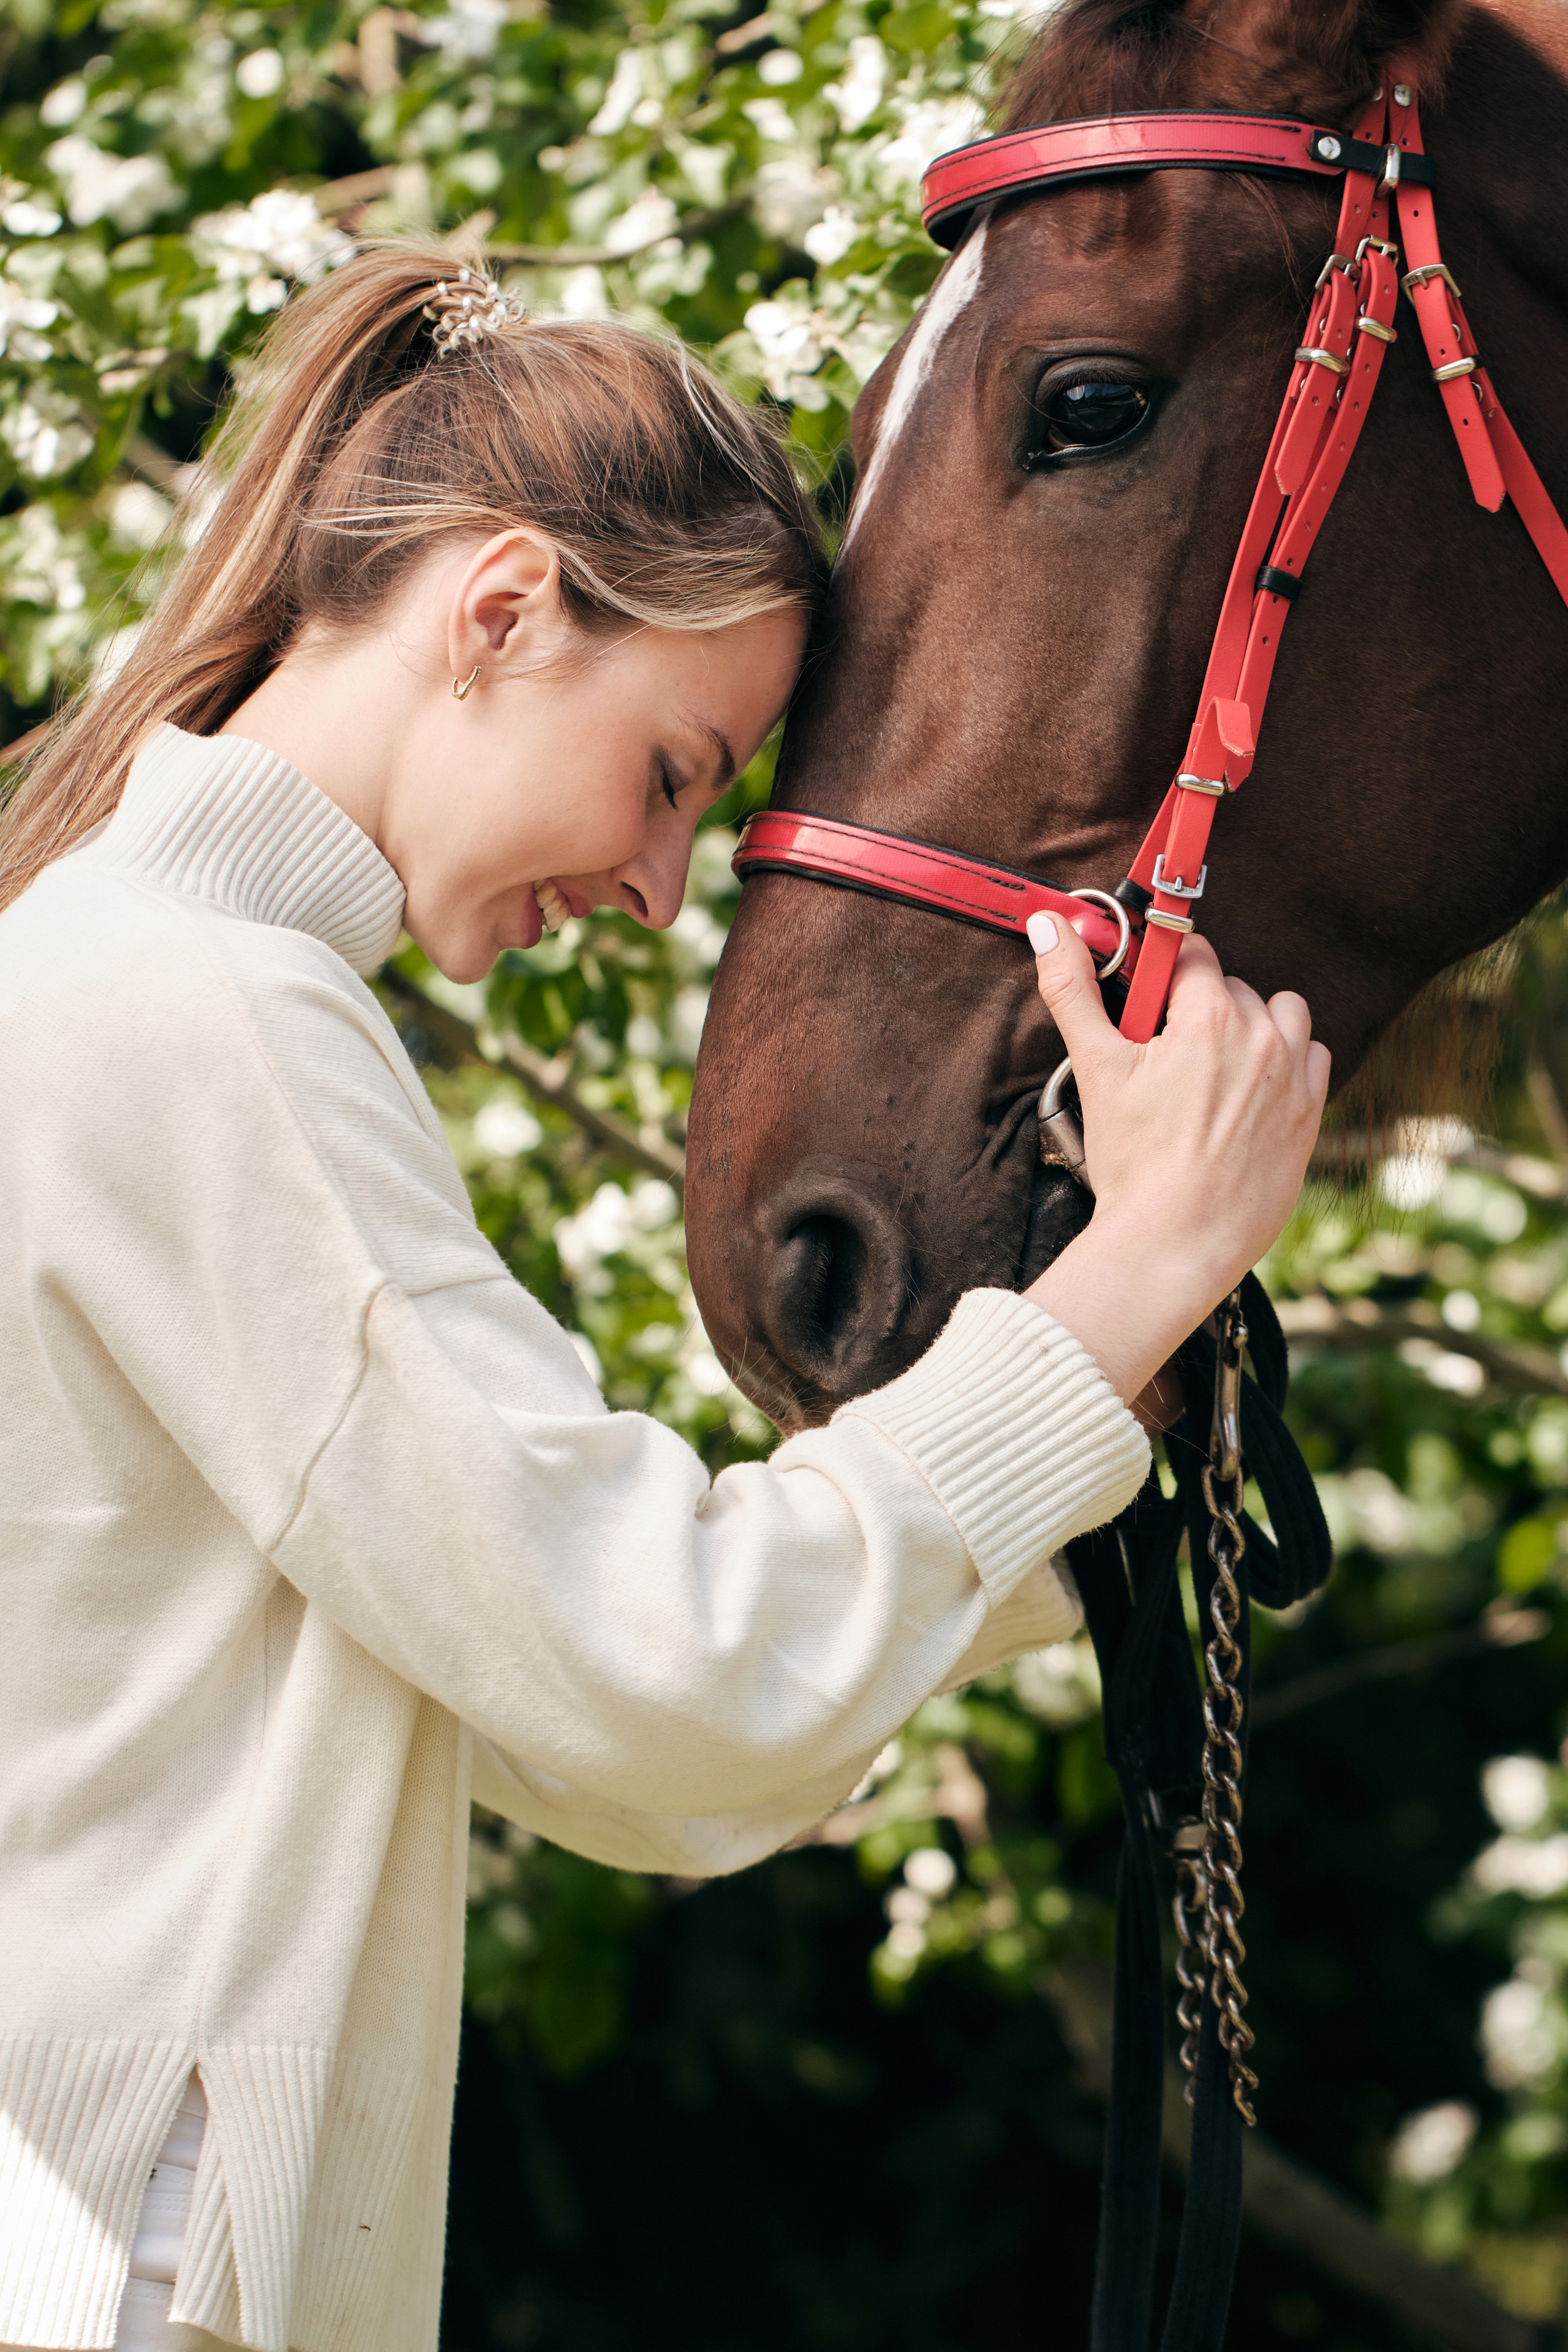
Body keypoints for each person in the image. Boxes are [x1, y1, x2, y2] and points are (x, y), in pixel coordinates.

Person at [0, 245, 1330, 2352]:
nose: (651, 892)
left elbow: (610, 1754)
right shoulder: (197, 1012)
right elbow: (655, 1668)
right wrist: (1139, 1275)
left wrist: (1101, 1423)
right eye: (676, 774)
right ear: (504, 609)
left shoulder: (114, 976)